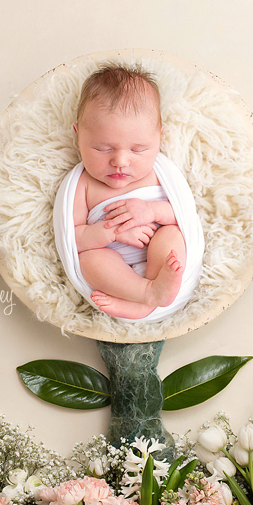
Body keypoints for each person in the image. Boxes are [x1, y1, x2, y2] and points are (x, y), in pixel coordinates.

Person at [70, 65, 188, 319]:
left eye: (138, 149)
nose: (120, 161)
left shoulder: (159, 174)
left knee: (172, 234)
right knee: (89, 261)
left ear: (159, 137)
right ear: (78, 135)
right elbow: (74, 238)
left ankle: (155, 288)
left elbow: (183, 216)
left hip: (158, 261)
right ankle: (146, 294)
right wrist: (109, 231)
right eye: (102, 148)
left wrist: (150, 210)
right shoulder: (83, 184)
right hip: (113, 264)